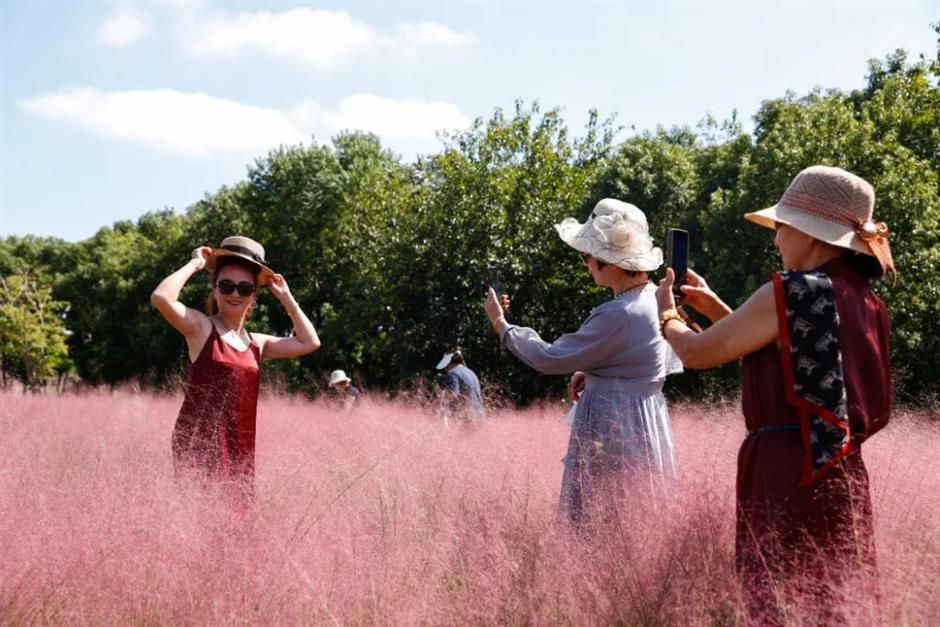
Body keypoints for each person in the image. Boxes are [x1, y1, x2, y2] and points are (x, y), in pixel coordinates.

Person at [655, 166, 893, 623]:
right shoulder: (864, 298)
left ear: (809, 233)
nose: (776, 239)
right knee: (835, 600)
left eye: (781, 227)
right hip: (840, 473)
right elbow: (789, 351)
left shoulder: (794, 290)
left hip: (785, 469)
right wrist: (718, 308)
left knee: (779, 599)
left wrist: (668, 317)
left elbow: (700, 352)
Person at [484, 198, 682, 528]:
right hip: (645, 421)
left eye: (587, 254)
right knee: (637, 518)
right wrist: (593, 371)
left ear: (610, 260)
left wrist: (501, 325)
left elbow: (549, 358)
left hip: (616, 426)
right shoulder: (657, 299)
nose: (585, 262)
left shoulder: (618, 313)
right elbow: (649, 361)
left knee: (605, 523)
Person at [151, 236, 321, 498]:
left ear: (254, 294)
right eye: (226, 285)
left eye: (244, 288)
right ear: (215, 289)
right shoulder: (201, 328)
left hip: (240, 448)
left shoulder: (258, 343)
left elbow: (310, 342)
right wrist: (195, 263)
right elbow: (162, 297)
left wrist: (287, 299)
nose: (234, 294)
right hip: (199, 444)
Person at [435, 348, 485, 426]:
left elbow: (452, 395)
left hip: (468, 418)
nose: (445, 369)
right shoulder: (471, 372)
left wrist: (439, 392)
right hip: (480, 415)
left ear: (449, 363)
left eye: (446, 366)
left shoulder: (453, 374)